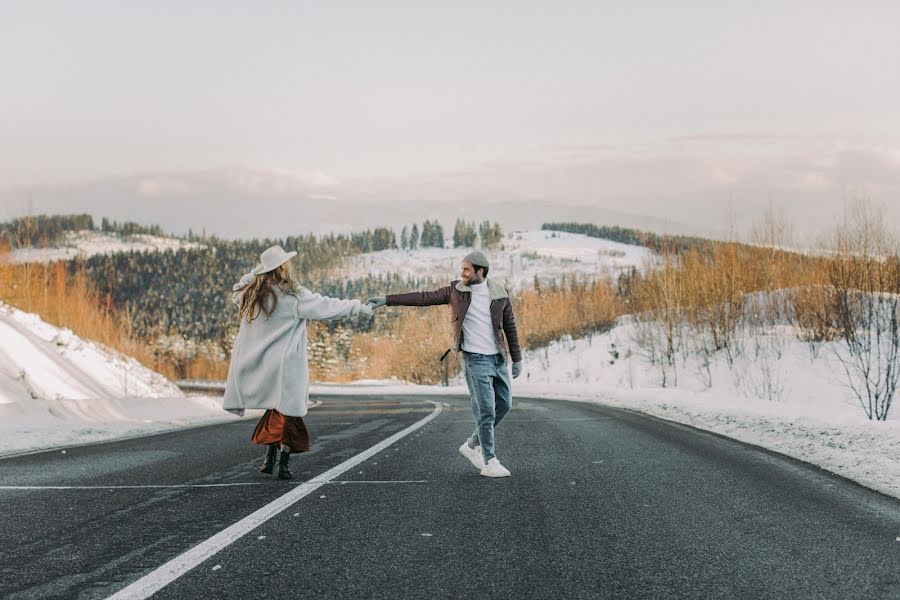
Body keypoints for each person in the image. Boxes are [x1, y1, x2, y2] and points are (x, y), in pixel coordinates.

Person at [367, 251, 522, 478]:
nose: (462, 273)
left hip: (497, 359)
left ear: (481, 271)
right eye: (462, 269)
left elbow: (510, 327)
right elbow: (423, 298)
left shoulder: (499, 294)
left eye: (467, 269)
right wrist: (387, 300)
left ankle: (471, 444)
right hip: (475, 359)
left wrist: (516, 359)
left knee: (504, 405)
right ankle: (490, 461)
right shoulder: (456, 291)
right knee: (486, 410)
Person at [224, 245, 373, 480]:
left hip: (264, 366)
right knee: (289, 413)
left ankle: (269, 456)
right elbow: (328, 306)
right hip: (286, 367)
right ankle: (282, 462)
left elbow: (237, 288)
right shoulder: (293, 296)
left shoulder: (251, 295)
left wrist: (256, 272)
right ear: (283, 267)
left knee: (275, 409)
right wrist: (358, 307)